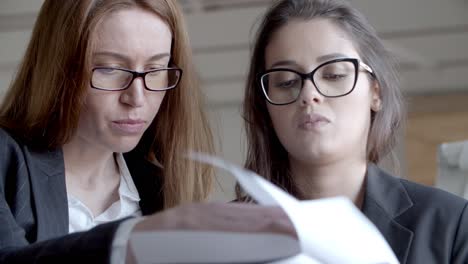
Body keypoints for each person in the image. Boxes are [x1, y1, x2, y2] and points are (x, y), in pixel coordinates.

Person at [0, 0, 295, 263]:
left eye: (155, 70)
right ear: (58, 69)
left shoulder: (161, 180)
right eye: (110, 69)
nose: (137, 98)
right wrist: (132, 239)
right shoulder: (6, 160)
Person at [239, 0, 468, 263]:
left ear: (375, 92)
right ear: (265, 107)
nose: (309, 94)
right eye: (287, 81)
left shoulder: (451, 225)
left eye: (334, 75)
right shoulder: (226, 237)